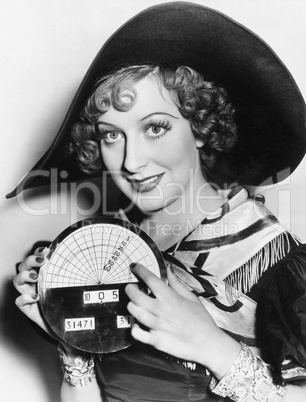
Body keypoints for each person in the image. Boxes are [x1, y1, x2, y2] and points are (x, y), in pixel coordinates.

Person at [10, 2, 306, 401]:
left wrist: (215, 349)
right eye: (111, 135)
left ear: (202, 127)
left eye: (155, 127)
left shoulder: (276, 265)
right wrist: (71, 341)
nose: (130, 162)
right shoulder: (104, 250)